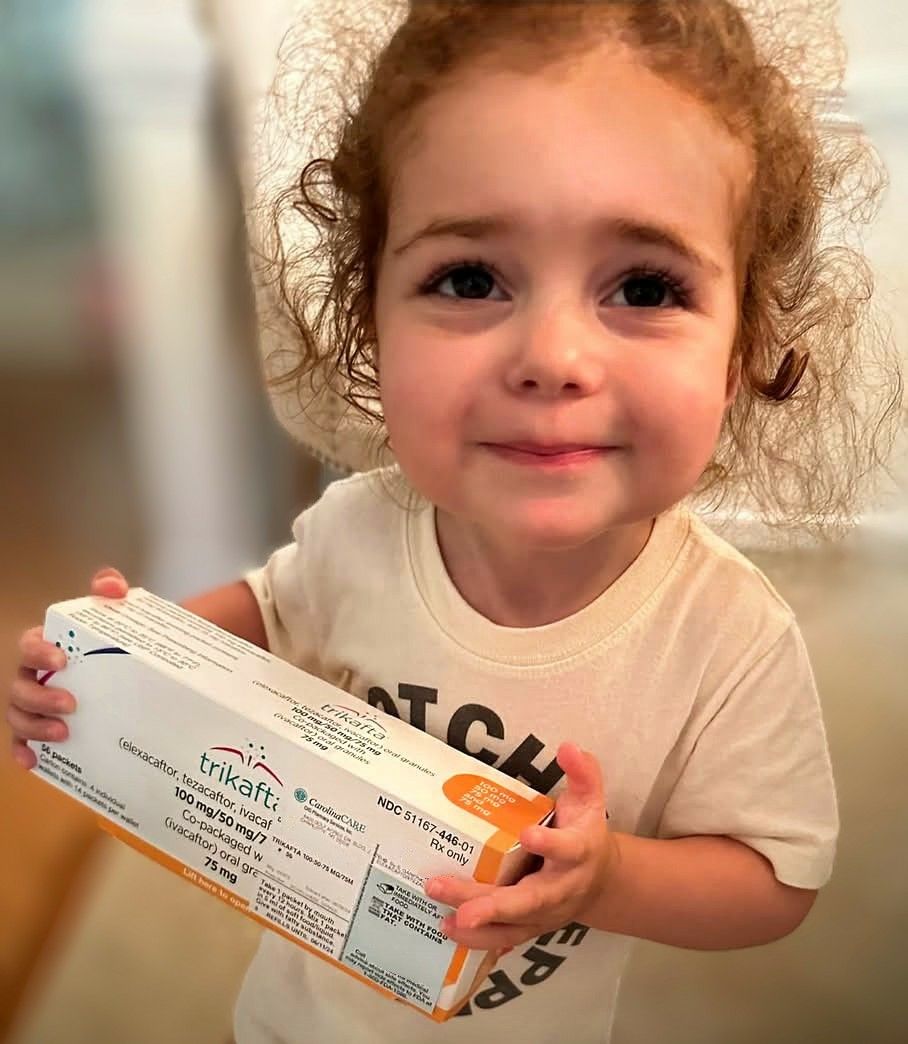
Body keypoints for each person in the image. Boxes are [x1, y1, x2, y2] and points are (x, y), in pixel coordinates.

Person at [7, 2, 902, 1041]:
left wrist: (607, 876)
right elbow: (267, 607)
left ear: (745, 351)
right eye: (469, 278)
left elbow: (771, 881)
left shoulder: (726, 641)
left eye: (643, 285)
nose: (551, 355)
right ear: (367, 323)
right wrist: (125, 655)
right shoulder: (360, 527)